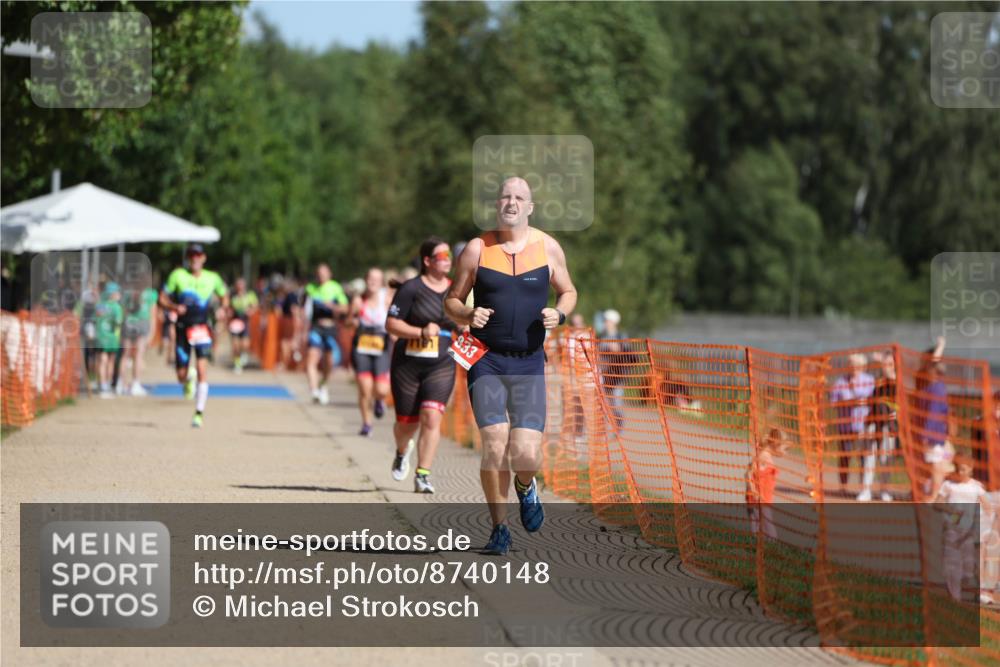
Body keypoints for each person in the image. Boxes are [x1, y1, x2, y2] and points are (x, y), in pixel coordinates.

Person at [445, 176, 577, 556]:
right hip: (486, 359)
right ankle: (499, 528)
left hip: (529, 362)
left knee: (525, 454)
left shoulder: (548, 248)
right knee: (494, 443)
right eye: (506, 196)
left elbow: (568, 291)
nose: (512, 202)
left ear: (530, 207)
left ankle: (525, 485)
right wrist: (468, 314)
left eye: (520, 197)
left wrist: (559, 312)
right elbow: (450, 302)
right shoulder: (476, 249)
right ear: (496, 204)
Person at [387, 238, 458, 493]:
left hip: (442, 363)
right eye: (442, 255)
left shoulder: (456, 290)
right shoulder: (410, 289)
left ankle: (423, 474)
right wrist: (420, 331)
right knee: (406, 423)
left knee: (431, 416)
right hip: (407, 364)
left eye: (450, 254)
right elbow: (391, 324)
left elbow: (465, 319)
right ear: (427, 261)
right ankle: (401, 450)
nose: (448, 258)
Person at [159, 244, 229, 428]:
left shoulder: (212, 278)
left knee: (202, 370)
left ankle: (198, 413)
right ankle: (188, 377)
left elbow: (224, 295)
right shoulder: (178, 276)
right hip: (182, 328)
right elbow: (162, 298)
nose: (195, 259)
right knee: (180, 375)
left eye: (198, 255)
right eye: (191, 255)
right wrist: (174, 307)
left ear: (204, 258)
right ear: (188, 258)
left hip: (201, 329)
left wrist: (222, 308)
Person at [933, 455, 987, 602]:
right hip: (951, 529)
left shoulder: (976, 487)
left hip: (970, 532)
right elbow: (936, 504)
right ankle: (955, 599)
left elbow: (988, 508)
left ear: (971, 469)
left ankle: (976, 591)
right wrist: (952, 511)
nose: (960, 472)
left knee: (969, 568)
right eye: (957, 469)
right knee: (952, 566)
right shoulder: (948, 485)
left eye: (963, 469)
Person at [350, 268, 391, 436]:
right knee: (364, 388)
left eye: (376, 279)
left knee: (381, 389)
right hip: (362, 346)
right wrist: (353, 318)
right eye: (370, 278)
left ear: (381, 282)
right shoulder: (358, 299)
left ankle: (380, 401)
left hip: (382, 345)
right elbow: (347, 321)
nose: (373, 282)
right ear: (366, 280)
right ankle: (367, 423)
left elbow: (397, 318)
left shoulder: (387, 299)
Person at [829, 353, 875, 496]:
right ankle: (843, 487)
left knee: (863, 457)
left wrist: (857, 398)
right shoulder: (840, 382)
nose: (854, 368)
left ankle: (864, 489)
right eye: (852, 365)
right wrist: (846, 402)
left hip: (863, 426)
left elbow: (871, 400)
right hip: (845, 426)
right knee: (844, 456)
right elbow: (833, 402)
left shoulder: (869, 380)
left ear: (863, 367)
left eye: (857, 365)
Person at [303, 264, 349, 405]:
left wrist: (332, 306)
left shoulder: (335, 288)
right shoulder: (310, 288)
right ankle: (314, 390)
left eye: (324, 273)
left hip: (330, 328)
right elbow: (304, 310)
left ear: (329, 274)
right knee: (312, 359)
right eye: (319, 273)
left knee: (328, 362)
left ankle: (323, 384)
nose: (321, 276)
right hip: (315, 328)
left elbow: (345, 308)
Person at [857, 349, 898, 502]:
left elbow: (893, 380)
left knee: (886, 459)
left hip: (890, 427)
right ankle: (865, 490)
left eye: (890, 364)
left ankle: (884, 490)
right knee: (869, 458)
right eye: (885, 364)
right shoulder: (878, 382)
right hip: (874, 424)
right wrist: (867, 427)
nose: (886, 367)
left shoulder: (897, 381)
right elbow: (871, 403)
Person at [917, 336, 951, 499]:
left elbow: (934, 414)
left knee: (936, 464)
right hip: (928, 432)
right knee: (930, 464)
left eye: (927, 363)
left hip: (933, 434)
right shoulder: (926, 384)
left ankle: (934, 495)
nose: (924, 365)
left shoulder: (937, 387)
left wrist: (940, 345)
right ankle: (931, 492)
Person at [746, 427, 789, 539]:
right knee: (771, 534)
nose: (785, 453)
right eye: (785, 449)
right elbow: (748, 473)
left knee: (758, 532)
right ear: (775, 444)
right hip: (759, 501)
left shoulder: (765, 456)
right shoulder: (763, 457)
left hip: (762, 500)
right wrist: (754, 491)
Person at [121, 284, 158, 396]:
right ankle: (135, 384)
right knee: (138, 355)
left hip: (128, 323)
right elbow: (153, 314)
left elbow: (124, 311)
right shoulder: (151, 294)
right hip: (142, 323)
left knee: (125, 355)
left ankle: (120, 384)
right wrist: (152, 332)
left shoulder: (127, 292)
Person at [95, 282, 124, 398]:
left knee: (102, 361)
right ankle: (106, 383)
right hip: (112, 339)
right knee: (110, 362)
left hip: (101, 337)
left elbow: (96, 317)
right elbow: (118, 323)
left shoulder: (100, 305)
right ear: (113, 294)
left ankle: (102, 384)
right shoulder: (117, 307)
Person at [229, 277, 259, 373]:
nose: (240, 287)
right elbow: (228, 308)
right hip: (235, 322)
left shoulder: (250, 295)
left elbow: (255, 307)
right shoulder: (233, 296)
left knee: (245, 344)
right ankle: (237, 364)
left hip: (245, 322)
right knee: (235, 345)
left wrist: (250, 311)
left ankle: (244, 355)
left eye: (241, 284)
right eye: (238, 285)